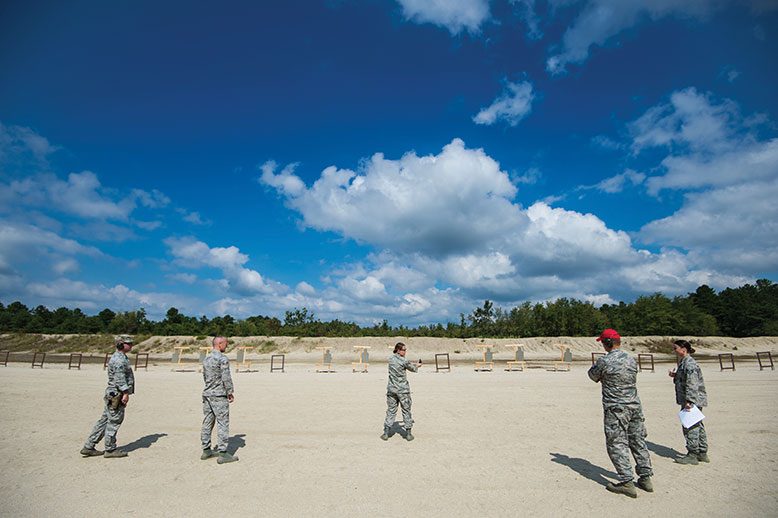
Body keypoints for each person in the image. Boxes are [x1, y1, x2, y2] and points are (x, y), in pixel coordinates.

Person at [588, 329, 653, 498]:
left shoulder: (605, 361)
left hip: (616, 408)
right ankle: (646, 478)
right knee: (638, 440)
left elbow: (592, 375)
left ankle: (626, 481)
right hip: (635, 406)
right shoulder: (631, 359)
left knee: (616, 443)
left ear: (606, 343)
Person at [80, 335, 136, 458]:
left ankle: (89, 446)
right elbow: (119, 378)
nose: (131, 345)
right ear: (121, 344)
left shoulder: (120, 357)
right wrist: (125, 393)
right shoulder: (119, 360)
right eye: (129, 343)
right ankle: (110, 449)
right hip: (117, 394)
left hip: (113, 393)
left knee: (104, 420)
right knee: (114, 421)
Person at [669, 339, 709, 465]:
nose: (674, 351)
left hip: (692, 399)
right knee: (697, 424)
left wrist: (689, 401)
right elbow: (685, 378)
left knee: (690, 425)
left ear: (683, 349)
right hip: (692, 399)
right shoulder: (684, 362)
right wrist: (675, 376)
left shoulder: (689, 363)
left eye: (675, 348)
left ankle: (693, 454)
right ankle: (702, 452)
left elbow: (692, 383)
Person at [200, 336, 238, 464]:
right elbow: (226, 377)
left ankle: (206, 450)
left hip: (207, 393)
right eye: (225, 344)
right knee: (223, 423)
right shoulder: (222, 358)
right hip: (219, 395)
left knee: (207, 422)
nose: (226, 346)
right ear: (220, 344)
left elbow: (205, 376)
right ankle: (223, 453)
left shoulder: (207, 358)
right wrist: (230, 392)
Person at [381, 342, 421, 441]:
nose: (405, 351)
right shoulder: (404, 361)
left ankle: (386, 433)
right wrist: (418, 365)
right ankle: (408, 434)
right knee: (406, 410)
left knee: (391, 410)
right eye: (403, 350)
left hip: (392, 389)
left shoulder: (390, 359)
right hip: (403, 390)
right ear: (398, 350)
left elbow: (404, 364)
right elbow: (412, 368)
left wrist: (412, 364)